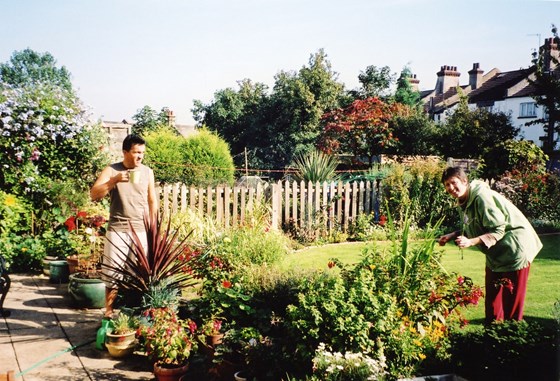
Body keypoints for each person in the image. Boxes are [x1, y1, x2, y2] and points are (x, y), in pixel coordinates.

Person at [438, 166, 542, 323]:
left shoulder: (481, 198)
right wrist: (452, 235)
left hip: (515, 250)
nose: (451, 188)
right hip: (496, 253)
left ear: (464, 181)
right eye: (447, 185)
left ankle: (512, 341)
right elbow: (474, 226)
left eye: (453, 183)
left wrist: (471, 241)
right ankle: (491, 341)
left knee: (511, 305)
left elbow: (498, 230)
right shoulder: (464, 201)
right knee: (492, 304)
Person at [90, 134, 157, 319]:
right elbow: (94, 194)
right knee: (113, 273)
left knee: (142, 273)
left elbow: (152, 201)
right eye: (136, 152)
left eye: (142, 153)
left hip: (141, 230)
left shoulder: (147, 172)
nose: (140, 157)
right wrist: (114, 181)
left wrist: (154, 227)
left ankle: (140, 312)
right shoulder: (112, 170)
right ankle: (109, 312)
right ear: (125, 152)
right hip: (118, 229)